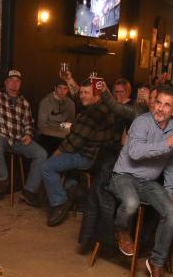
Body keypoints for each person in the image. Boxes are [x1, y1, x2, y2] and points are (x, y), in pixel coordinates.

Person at [110, 87, 173, 277]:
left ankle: (156, 262)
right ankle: (121, 229)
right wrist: (167, 142)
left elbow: (172, 164)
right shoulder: (142, 122)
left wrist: (169, 191)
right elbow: (134, 152)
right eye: (158, 102)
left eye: (166, 105)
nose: (160, 108)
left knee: (171, 211)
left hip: (150, 183)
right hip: (124, 176)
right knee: (131, 203)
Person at [39, 79, 116, 226]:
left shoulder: (91, 114)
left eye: (86, 93)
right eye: (81, 92)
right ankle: (75, 191)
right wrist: (69, 79)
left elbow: (73, 142)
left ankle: (59, 202)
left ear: (97, 95)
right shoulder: (105, 107)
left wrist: (55, 154)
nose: (82, 96)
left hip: (87, 158)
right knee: (65, 165)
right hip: (101, 159)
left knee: (47, 166)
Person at [0, 68, 48, 198]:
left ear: (20, 84)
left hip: (17, 139)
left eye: (17, 81)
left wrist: (28, 134)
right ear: (6, 83)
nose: (14, 83)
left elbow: (29, 123)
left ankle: (29, 191)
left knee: (42, 154)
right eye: (11, 80)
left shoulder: (24, 102)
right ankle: (3, 179)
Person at [36, 79, 76, 155]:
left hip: (63, 136)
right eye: (59, 88)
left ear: (68, 90)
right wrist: (61, 126)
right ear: (55, 88)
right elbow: (41, 125)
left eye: (65, 88)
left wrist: (57, 125)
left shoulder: (71, 104)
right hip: (46, 135)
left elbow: (71, 124)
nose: (62, 91)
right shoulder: (45, 102)